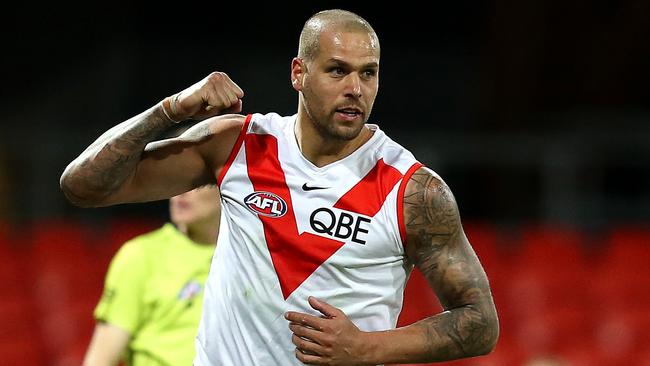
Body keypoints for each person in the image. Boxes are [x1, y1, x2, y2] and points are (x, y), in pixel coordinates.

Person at [61, 9, 499, 365]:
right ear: (298, 73)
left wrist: (368, 348)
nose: (354, 89)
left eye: (368, 74)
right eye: (337, 71)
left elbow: (480, 322)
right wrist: (170, 110)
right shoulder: (237, 144)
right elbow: (84, 187)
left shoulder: (413, 190)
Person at [82, 186, 221, 366]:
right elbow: (98, 361)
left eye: (196, 184)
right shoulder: (140, 256)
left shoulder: (250, 259)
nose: (181, 191)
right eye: (176, 181)